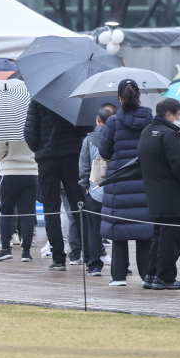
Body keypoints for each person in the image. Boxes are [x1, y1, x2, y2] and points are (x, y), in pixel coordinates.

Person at [99, 80, 153, 287]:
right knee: (144, 230)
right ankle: (147, 275)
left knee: (118, 231)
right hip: (144, 178)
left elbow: (105, 152)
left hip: (119, 180)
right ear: (138, 96)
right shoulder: (149, 117)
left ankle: (119, 277)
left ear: (120, 98)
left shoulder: (112, 122)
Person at [24, 98, 88, 271]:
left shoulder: (38, 99)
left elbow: (30, 134)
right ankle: (89, 256)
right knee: (79, 206)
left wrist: (41, 148)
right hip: (71, 157)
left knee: (51, 209)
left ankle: (58, 259)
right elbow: (85, 128)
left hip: (47, 160)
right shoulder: (74, 98)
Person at [137, 98, 180, 290]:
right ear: (169, 114)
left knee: (159, 237)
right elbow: (179, 165)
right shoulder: (169, 134)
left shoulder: (146, 132)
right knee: (172, 239)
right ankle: (165, 277)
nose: (179, 119)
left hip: (154, 193)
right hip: (172, 195)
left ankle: (151, 275)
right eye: (178, 115)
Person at [78, 103, 115, 276]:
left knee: (93, 229)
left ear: (98, 119)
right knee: (117, 227)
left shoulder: (89, 139)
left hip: (94, 190)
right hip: (116, 190)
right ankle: (121, 265)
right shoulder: (119, 137)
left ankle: (94, 265)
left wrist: (85, 185)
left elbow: (84, 165)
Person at [0, 136, 39, 262]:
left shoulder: (5, 123)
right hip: (31, 172)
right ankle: (26, 252)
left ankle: (6, 249)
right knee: (28, 213)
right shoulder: (33, 123)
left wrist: (0, 161)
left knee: (5, 211)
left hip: (9, 171)